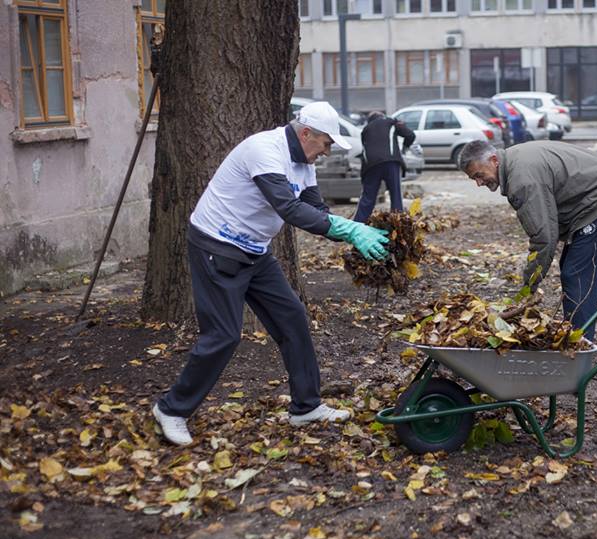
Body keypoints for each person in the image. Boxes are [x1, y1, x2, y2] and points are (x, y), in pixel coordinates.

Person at [152, 101, 390, 446]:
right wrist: (348, 230)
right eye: (326, 143)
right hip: (217, 246)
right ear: (306, 133)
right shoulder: (264, 150)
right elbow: (288, 208)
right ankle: (172, 409)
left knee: (292, 317)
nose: (327, 151)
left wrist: (352, 231)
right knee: (224, 335)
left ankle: (306, 407)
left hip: (254, 251)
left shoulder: (303, 161)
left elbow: (315, 209)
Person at [457, 139, 597, 340]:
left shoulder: (522, 180)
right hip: (593, 193)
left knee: (576, 274)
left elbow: (544, 237)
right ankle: (576, 334)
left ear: (494, 160)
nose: (479, 183)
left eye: (479, 175)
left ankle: (580, 343)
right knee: (571, 268)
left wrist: (529, 286)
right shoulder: (514, 162)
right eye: (473, 179)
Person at [355, 111, 416, 222]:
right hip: (391, 163)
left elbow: (364, 153)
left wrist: (364, 178)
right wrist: (405, 147)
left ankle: (357, 225)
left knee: (367, 198)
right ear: (382, 116)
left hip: (371, 166)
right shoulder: (392, 122)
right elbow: (410, 135)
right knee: (395, 195)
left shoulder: (365, 130)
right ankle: (397, 226)